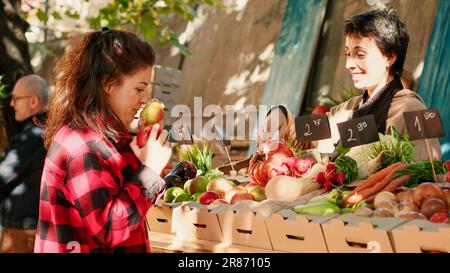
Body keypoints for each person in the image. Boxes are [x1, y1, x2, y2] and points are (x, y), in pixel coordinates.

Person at [34, 28, 172, 253]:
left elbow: (125, 198)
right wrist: (150, 170)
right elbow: (110, 229)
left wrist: (141, 157)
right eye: (139, 89)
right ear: (108, 84)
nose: (145, 100)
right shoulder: (83, 145)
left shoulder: (108, 138)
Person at [315, 8, 441, 160]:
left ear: (389, 56)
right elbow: (308, 132)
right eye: (348, 54)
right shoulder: (352, 107)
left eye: (360, 54)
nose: (348, 64)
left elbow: (432, 171)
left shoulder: (416, 110)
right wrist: (281, 115)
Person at [0, 74, 49, 253]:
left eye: (15, 99)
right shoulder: (47, 130)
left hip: (23, 230)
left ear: (34, 101)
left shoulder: (34, 136)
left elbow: (3, 176)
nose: (11, 104)